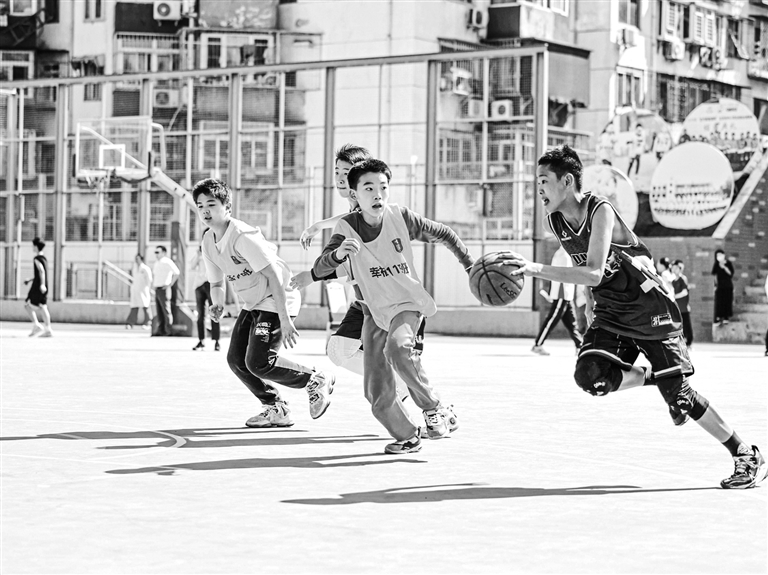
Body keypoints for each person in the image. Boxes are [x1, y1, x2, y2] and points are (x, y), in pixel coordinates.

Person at [501, 144, 766, 490]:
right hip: (612, 309)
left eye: (544, 181)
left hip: (648, 305)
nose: (538, 188)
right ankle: (652, 376)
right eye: (537, 181)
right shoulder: (556, 221)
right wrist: (589, 305)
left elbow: (594, 271)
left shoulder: (600, 210)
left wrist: (535, 268)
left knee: (680, 396)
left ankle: (745, 453)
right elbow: (585, 268)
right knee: (590, 375)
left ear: (567, 181)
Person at [313, 158, 474, 455]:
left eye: (383, 187)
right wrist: (337, 255)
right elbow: (320, 268)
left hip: (407, 304)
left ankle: (434, 407)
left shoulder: (401, 217)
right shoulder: (346, 228)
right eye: (369, 188)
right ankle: (408, 436)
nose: (378, 195)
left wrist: (470, 266)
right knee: (376, 393)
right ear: (354, 194)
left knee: (398, 349)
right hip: (374, 312)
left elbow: (444, 233)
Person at [193, 178, 334, 427]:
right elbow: (216, 283)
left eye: (211, 204)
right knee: (236, 360)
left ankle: (314, 379)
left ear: (227, 207)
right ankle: (276, 408)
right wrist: (217, 303)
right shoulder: (208, 242)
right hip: (253, 302)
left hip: (276, 296)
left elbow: (274, 276)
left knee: (260, 362)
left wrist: (284, 318)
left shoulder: (242, 236)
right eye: (200, 206)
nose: (205, 211)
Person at [531, 246, 583, 356]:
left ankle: (579, 346)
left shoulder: (564, 253)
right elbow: (562, 275)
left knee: (572, 323)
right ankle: (538, 345)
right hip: (562, 293)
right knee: (552, 320)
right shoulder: (563, 255)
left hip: (566, 294)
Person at [191, 241, 220, 351]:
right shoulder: (199, 253)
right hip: (199, 285)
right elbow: (192, 266)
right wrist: (198, 254)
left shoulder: (214, 251)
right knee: (200, 314)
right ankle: (201, 340)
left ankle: (216, 341)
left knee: (215, 312)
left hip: (211, 283)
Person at [24, 237, 52, 338]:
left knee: (27, 305)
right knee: (43, 306)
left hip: (38, 286)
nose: (32, 247)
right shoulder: (44, 259)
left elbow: (41, 271)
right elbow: (40, 274)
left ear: (36, 246)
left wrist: (42, 284)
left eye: (33, 246)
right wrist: (31, 279)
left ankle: (37, 325)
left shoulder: (36, 259)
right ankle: (48, 329)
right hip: (43, 285)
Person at [151, 245, 180, 336]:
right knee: (159, 311)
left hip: (164, 288)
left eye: (158, 252)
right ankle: (161, 330)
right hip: (157, 288)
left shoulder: (167, 261)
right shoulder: (156, 263)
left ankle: (168, 330)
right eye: (155, 252)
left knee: (166, 310)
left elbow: (177, 272)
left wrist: (169, 284)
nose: (156, 254)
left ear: (163, 253)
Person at [125, 254, 152, 330]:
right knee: (134, 307)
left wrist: (148, 288)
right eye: (136, 259)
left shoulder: (145, 268)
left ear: (141, 259)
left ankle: (148, 323)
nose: (136, 260)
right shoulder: (134, 268)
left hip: (143, 290)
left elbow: (149, 280)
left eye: (138, 259)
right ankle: (130, 323)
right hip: (135, 290)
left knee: (145, 306)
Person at [671, 259, 693, 348]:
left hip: (684, 307)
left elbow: (685, 292)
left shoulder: (683, 279)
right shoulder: (673, 281)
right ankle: (681, 342)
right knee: (679, 326)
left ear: (680, 269)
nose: (674, 270)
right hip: (677, 308)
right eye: (673, 268)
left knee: (687, 325)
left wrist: (674, 296)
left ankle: (689, 342)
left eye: (676, 268)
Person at [711, 249, 735, 326]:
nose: (719, 257)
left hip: (728, 285)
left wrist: (724, 267)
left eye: (720, 255)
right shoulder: (716, 264)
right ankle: (718, 317)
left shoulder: (728, 263)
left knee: (727, 301)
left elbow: (730, 273)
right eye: (717, 255)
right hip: (720, 286)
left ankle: (726, 317)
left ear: (723, 255)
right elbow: (714, 275)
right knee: (719, 302)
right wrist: (715, 285)